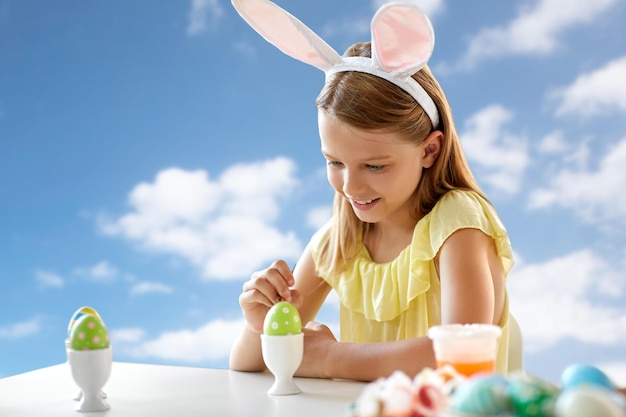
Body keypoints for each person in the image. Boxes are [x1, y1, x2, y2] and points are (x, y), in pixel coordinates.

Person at [229, 0, 514, 382]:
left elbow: (459, 357)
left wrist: (331, 358)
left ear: (429, 150)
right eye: (335, 162)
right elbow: (247, 364)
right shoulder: (338, 241)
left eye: (375, 165)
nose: (350, 186)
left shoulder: (457, 223)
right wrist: (261, 323)